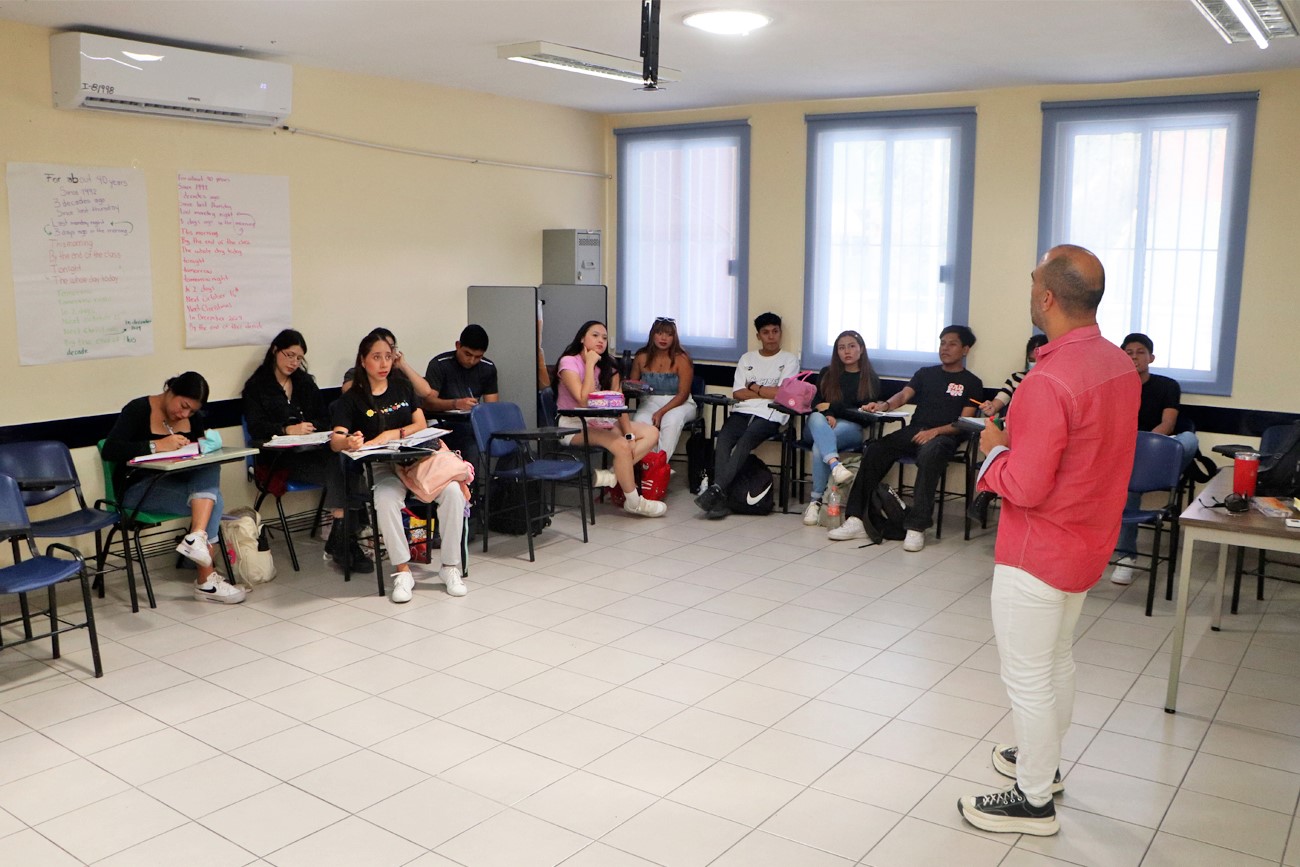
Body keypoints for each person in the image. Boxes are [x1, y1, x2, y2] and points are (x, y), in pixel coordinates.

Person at [956, 244, 1138, 837]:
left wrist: (993, 452)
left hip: (1037, 550)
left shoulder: (1047, 379)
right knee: (1057, 659)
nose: (1030, 287)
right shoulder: (1117, 365)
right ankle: (1046, 765)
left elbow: (1027, 486)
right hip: (1088, 541)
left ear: (1048, 298)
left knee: (1028, 675)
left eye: (1033, 279)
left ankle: (1034, 801)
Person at [331, 332, 467, 602]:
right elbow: (335, 440)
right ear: (363, 360)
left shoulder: (402, 386)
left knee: (452, 492)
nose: (383, 363)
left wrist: (391, 434)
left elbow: (420, 423)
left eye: (388, 357)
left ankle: (450, 567)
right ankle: (402, 570)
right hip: (384, 467)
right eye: (376, 357)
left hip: (418, 462)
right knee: (384, 498)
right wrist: (348, 441)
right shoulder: (352, 398)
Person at [827, 325, 982, 550]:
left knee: (931, 454)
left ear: (965, 349)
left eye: (952, 344)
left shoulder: (972, 382)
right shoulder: (925, 373)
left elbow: (964, 422)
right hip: (916, 430)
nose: (945, 348)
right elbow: (903, 395)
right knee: (876, 449)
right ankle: (857, 519)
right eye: (942, 343)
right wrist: (884, 405)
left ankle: (916, 527)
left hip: (944, 437)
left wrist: (936, 431)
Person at [102, 372, 245, 604]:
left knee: (209, 469)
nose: (185, 414)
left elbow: (199, 453)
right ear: (171, 390)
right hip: (137, 489)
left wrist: (203, 446)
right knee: (213, 500)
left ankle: (197, 539)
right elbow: (111, 450)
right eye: (183, 406)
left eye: (191, 411)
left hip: (176, 483)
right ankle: (205, 579)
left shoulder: (192, 418)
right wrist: (156, 445)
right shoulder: (138, 409)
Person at [242, 328, 371, 571]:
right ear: (274, 351)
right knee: (340, 467)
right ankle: (345, 540)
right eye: (289, 355)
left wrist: (312, 429)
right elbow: (256, 427)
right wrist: (286, 429)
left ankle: (342, 537)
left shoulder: (304, 383)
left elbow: (325, 418)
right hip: (280, 461)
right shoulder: (257, 386)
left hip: (313, 452)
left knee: (344, 463)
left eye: (299, 358)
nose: (293, 362)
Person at [1110, 332, 1201, 585]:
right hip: (1126, 458)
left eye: (1140, 352)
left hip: (1158, 452)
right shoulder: (1115, 386)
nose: (1134, 357)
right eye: (1128, 353)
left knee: (1190, 440)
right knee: (1131, 484)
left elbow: (1168, 424)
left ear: (1151, 357)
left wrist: (1145, 445)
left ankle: (1148, 469)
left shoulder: (1167, 385)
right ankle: (1126, 557)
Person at [554, 320, 666, 518]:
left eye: (604, 338)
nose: (600, 341)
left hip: (600, 422)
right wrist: (589, 364)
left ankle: (613, 475)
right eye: (595, 335)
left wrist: (630, 434)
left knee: (652, 432)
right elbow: (583, 399)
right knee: (621, 447)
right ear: (582, 339)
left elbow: (619, 403)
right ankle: (634, 502)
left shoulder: (609, 365)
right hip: (572, 424)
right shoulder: (569, 362)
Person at [694, 312, 800, 519]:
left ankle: (716, 492)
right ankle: (721, 496)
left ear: (780, 333)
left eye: (775, 332)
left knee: (745, 441)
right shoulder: (747, 358)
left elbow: (782, 394)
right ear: (758, 335)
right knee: (724, 438)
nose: (771, 336)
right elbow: (738, 393)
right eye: (766, 332)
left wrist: (754, 387)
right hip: (743, 410)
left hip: (772, 414)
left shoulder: (789, 360)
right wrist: (765, 390)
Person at [801, 330, 881, 526]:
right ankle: (835, 466)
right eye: (841, 347)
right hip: (819, 425)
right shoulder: (827, 373)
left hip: (851, 430)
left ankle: (816, 500)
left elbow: (863, 416)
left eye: (852, 346)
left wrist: (833, 408)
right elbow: (817, 405)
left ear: (861, 349)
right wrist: (828, 413)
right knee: (815, 419)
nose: (847, 351)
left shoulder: (870, 378)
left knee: (822, 446)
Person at [423, 324, 499, 461]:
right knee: (469, 440)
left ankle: (488, 479)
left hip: (471, 423)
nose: (471, 361)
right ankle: (470, 481)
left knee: (508, 438)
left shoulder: (488, 368)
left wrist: (479, 409)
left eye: (478, 357)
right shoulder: (439, 364)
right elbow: (428, 403)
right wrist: (456, 404)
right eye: (468, 354)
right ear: (458, 345)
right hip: (442, 424)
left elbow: (491, 407)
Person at [630, 317, 697, 460]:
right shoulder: (641, 357)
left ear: (674, 338)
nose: (664, 338)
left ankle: (660, 465)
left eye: (669, 334)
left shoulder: (682, 358)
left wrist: (661, 412)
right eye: (660, 333)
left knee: (670, 420)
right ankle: (650, 465)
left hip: (679, 403)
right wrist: (636, 386)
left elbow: (683, 394)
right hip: (649, 401)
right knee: (640, 421)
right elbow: (632, 385)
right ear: (652, 334)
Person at [341, 327, 431, 400]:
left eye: (391, 348)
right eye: (377, 356)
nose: (389, 353)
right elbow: (347, 391)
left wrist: (403, 365)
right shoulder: (355, 372)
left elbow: (425, 392)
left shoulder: (400, 372)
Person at [979, 333, 1049, 417]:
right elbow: (999, 401)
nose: (1035, 363)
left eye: (1039, 359)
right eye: (1031, 360)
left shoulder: (1055, 381)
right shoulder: (1016, 378)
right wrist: (991, 407)